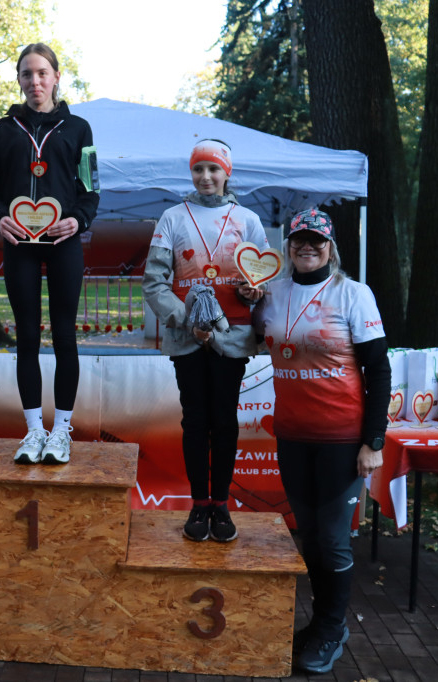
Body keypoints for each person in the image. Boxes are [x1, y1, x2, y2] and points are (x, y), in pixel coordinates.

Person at [252, 208, 389, 674]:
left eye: (317, 241)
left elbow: (379, 370)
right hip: (292, 435)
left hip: (341, 438)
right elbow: (252, 336)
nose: (307, 247)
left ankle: (332, 627)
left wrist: (374, 440)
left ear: (331, 248)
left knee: (331, 540)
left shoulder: (353, 294)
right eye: (298, 240)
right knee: (309, 536)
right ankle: (320, 623)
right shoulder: (272, 293)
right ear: (287, 246)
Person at [0, 42, 100, 465]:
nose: (35, 81)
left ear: (56, 77)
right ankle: (33, 431)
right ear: (19, 80)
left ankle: (61, 430)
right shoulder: (2, 130)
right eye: (27, 74)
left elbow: (91, 189)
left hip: (64, 243)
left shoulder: (79, 128)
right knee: (27, 339)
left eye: (42, 73)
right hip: (20, 247)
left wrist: (78, 221)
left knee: (65, 336)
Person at [142, 139, 267, 543]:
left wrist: (254, 292)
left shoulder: (247, 219)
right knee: (195, 422)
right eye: (199, 169)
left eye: (214, 169)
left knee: (225, 422)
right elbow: (154, 283)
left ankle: (221, 504)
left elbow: (262, 278)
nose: (206, 177)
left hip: (232, 337)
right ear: (191, 173)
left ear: (227, 172)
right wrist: (184, 320)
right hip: (187, 339)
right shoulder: (172, 217)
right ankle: (199, 504)